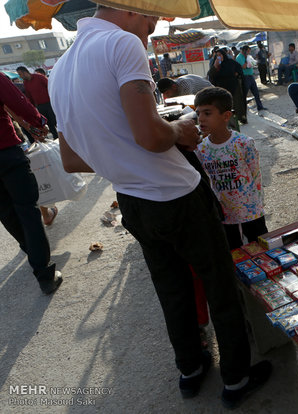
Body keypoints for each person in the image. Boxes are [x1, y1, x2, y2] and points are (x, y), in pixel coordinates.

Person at [48, 6, 271, 406]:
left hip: (133, 202)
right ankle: (236, 379)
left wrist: (123, 160)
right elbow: (152, 136)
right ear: (134, 8)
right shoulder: (121, 43)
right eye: (151, 21)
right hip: (178, 196)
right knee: (219, 286)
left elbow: (71, 160)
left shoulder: (60, 69)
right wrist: (180, 129)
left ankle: (190, 368)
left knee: (172, 290)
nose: (152, 32)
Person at [0, 73, 63, 295]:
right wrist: (38, 123)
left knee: (6, 212)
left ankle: (31, 248)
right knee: (27, 210)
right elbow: (18, 102)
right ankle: (43, 273)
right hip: (6, 154)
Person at [194, 87, 268, 249]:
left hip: (251, 211)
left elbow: (255, 174)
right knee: (234, 252)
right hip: (224, 213)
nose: (201, 119)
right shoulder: (200, 149)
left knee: (261, 249)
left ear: (226, 116)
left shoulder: (244, 143)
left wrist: (256, 204)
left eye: (207, 113)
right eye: (198, 113)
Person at [16, 66, 58, 139]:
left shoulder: (39, 77)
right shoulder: (25, 83)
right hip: (40, 106)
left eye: (20, 74)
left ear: (24, 72)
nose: (20, 76)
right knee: (48, 124)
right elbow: (29, 97)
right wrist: (32, 108)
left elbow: (51, 86)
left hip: (50, 103)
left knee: (55, 121)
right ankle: (56, 138)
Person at [209, 47, 247, 124]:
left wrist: (236, 74)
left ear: (224, 55)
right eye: (217, 55)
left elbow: (239, 70)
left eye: (220, 55)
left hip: (233, 86)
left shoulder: (230, 62)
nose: (219, 56)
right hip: (222, 88)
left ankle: (241, 118)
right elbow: (211, 76)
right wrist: (215, 67)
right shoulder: (215, 65)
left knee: (237, 103)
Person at [236, 45, 266, 111]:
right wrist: (247, 61)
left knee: (256, 92)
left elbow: (253, 63)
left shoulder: (248, 56)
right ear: (245, 51)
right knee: (245, 93)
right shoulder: (239, 57)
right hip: (245, 76)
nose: (249, 53)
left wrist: (252, 62)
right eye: (248, 51)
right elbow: (243, 66)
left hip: (250, 75)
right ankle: (243, 108)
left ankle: (260, 106)